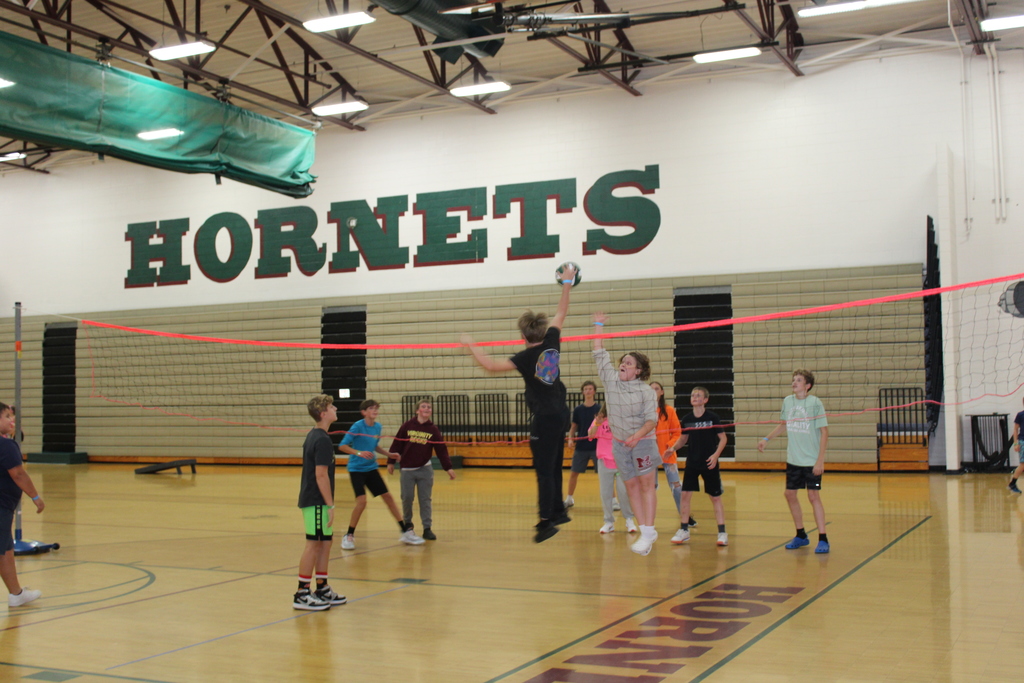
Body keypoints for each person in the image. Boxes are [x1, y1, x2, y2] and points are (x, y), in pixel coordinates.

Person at [463, 263, 577, 543]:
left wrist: (470, 344)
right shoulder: (552, 340)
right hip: (562, 412)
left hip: (545, 418)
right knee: (553, 464)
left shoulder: (524, 358)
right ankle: (559, 511)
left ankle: (545, 522)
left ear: (523, 337)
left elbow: (490, 366)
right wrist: (567, 282)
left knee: (543, 470)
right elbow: (561, 313)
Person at [591, 312, 660, 556]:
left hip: (642, 443)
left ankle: (648, 530)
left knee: (646, 485)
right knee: (630, 487)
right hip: (620, 444)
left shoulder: (645, 392)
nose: (624, 364)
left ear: (639, 371)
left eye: (629, 363)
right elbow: (599, 351)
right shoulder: (610, 380)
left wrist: (637, 436)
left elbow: (652, 420)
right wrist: (598, 325)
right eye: (623, 361)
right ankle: (646, 532)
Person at [757, 370, 830, 554]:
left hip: (811, 460)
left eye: (798, 380)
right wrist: (766, 439)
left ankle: (823, 538)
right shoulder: (788, 402)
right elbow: (784, 424)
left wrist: (820, 460)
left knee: (813, 497)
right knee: (790, 494)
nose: (794, 383)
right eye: (793, 380)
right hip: (794, 460)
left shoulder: (815, 403)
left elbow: (824, 432)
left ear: (807, 385)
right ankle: (801, 535)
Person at [338, 399, 424, 550]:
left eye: (376, 408)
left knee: (388, 498)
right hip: (356, 469)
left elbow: (374, 446)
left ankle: (405, 532)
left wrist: (389, 454)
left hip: (371, 468)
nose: (375, 411)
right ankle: (349, 535)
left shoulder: (377, 427)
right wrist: (358, 453)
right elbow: (342, 446)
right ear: (364, 412)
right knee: (362, 502)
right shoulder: (357, 426)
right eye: (371, 408)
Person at [294, 394, 346, 611]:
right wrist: (330, 505)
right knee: (313, 544)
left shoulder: (318, 436)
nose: (335, 408)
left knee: (326, 542)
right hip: (316, 501)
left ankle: (322, 587)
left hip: (318, 502)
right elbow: (321, 475)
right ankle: (302, 593)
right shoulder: (321, 439)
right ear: (323, 413)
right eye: (331, 406)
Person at [388, 400, 456, 540]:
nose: (426, 408)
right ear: (417, 410)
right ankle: (408, 524)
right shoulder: (407, 426)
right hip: (407, 469)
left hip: (425, 469)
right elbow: (397, 444)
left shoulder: (433, 429)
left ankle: (427, 528)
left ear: (430, 412)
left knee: (425, 499)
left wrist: (448, 467)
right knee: (407, 498)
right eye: (423, 406)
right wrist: (390, 462)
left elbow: (441, 449)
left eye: (429, 407)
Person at [669, 387, 728, 546]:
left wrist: (715, 455)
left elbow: (723, 439)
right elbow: (683, 439)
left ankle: (722, 533)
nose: (694, 397)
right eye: (693, 395)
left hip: (709, 463)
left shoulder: (712, 417)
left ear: (705, 400)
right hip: (692, 463)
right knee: (685, 495)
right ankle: (684, 530)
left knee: (715, 497)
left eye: (698, 395)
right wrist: (672, 448)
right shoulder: (687, 419)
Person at [0, 402, 44, 607]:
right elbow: (18, 473)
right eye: (7, 416)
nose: (12, 420)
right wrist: (35, 497)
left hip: (5, 507)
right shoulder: (7, 446)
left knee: (6, 548)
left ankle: (16, 594)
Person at [651, 381, 696, 527]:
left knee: (677, 486)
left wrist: (670, 446)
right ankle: (648, 518)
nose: (654, 391)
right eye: (650, 389)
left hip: (667, 454)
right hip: (650, 455)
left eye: (657, 389)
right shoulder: (643, 411)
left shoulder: (669, 410)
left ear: (662, 392)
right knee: (651, 487)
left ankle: (685, 516)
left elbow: (677, 432)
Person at [589, 404, 637, 533]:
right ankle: (608, 521)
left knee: (623, 492)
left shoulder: (623, 418)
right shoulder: (600, 419)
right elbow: (590, 435)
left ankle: (629, 520)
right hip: (604, 461)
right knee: (605, 493)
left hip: (621, 461)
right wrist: (597, 424)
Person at [564, 381, 601, 509]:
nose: (588, 391)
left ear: (594, 391)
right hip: (581, 446)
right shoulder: (578, 409)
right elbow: (573, 427)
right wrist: (570, 439)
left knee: (603, 474)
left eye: (590, 389)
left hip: (597, 447)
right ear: (583, 392)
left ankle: (612, 501)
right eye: (586, 389)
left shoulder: (599, 409)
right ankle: (569, 499)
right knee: (574, 472)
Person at [1009, 397, 1024, 493]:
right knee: (1023, 464)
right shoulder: (1021, 415)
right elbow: (1015, 429)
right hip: (1023, 441)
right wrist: (1015, 443)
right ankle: (1012, 483)